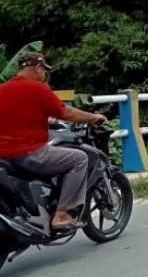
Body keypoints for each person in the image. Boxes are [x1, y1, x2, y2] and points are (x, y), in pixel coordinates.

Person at [0, 52, 108, 230]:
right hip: (29, 153)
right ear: (38, 68)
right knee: (79, 159)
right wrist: (92, 117)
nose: (44, 74)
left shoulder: (2, 89)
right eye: (44, 70)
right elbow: (65, 113)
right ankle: (61, 215)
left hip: (5, 157)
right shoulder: (37, 87)